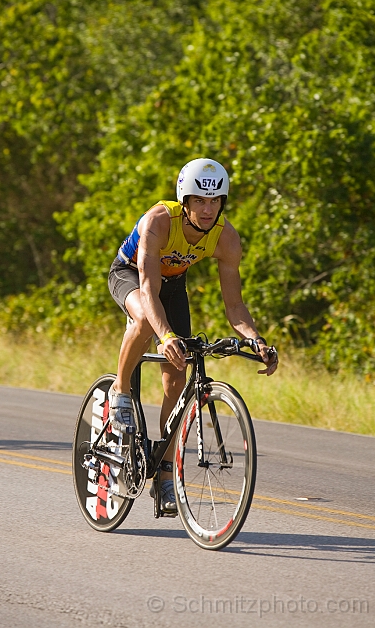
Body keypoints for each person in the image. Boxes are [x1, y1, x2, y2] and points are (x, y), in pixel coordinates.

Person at [107, 158, 278, 513]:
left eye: (215, 202)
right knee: (143, 321)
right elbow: (148, 290)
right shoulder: (158, 221)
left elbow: (235, 308)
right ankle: (120, 392)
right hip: (131, 276)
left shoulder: (226, 238)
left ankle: (165, 475)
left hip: (173, 287)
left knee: (176, 383)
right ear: (184, 202)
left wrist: (257, 340)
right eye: (199, 200)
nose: (207, 209)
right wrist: (166, 335)